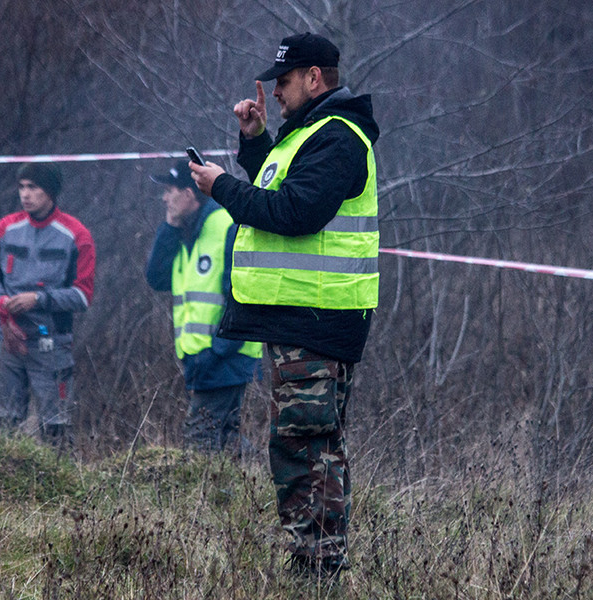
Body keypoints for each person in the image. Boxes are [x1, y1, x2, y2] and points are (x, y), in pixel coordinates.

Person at [190, 32, 380, 580]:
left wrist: (222, 185)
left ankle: (316, 573)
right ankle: (315, 567)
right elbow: (281, 190)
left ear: (314, 78)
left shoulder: (337, 136)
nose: (274, 92)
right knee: (308, 444)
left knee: (304, 446)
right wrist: (253, 143)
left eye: (284, 80)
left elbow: (295, 213)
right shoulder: (309, 136)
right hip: (303, 319)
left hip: (317, 320)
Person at [145, 161, 262, 453]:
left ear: (188, 193)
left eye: (170, 191)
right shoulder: (184, 232)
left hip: (225, 355)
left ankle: (210, 497)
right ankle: (256, 480)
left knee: (201, 438)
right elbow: (156, 278)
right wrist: (169, 228)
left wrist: (216, 351)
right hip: (202, 357)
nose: (164, 198)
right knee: (224, 438)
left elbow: (244, 296)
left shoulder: (226, 226)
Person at [0, 162, 95, 445]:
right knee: (2, 424)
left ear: (51, 192)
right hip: (6, 336)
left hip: (52, 341)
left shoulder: (77, 235)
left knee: (56, 426)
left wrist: (39, 300)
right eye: (21, 187)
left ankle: (58, 483)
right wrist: (3, 299)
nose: (25, 194)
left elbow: (83, 296)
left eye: (33, 187)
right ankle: (1, 483)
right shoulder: (5, 228)